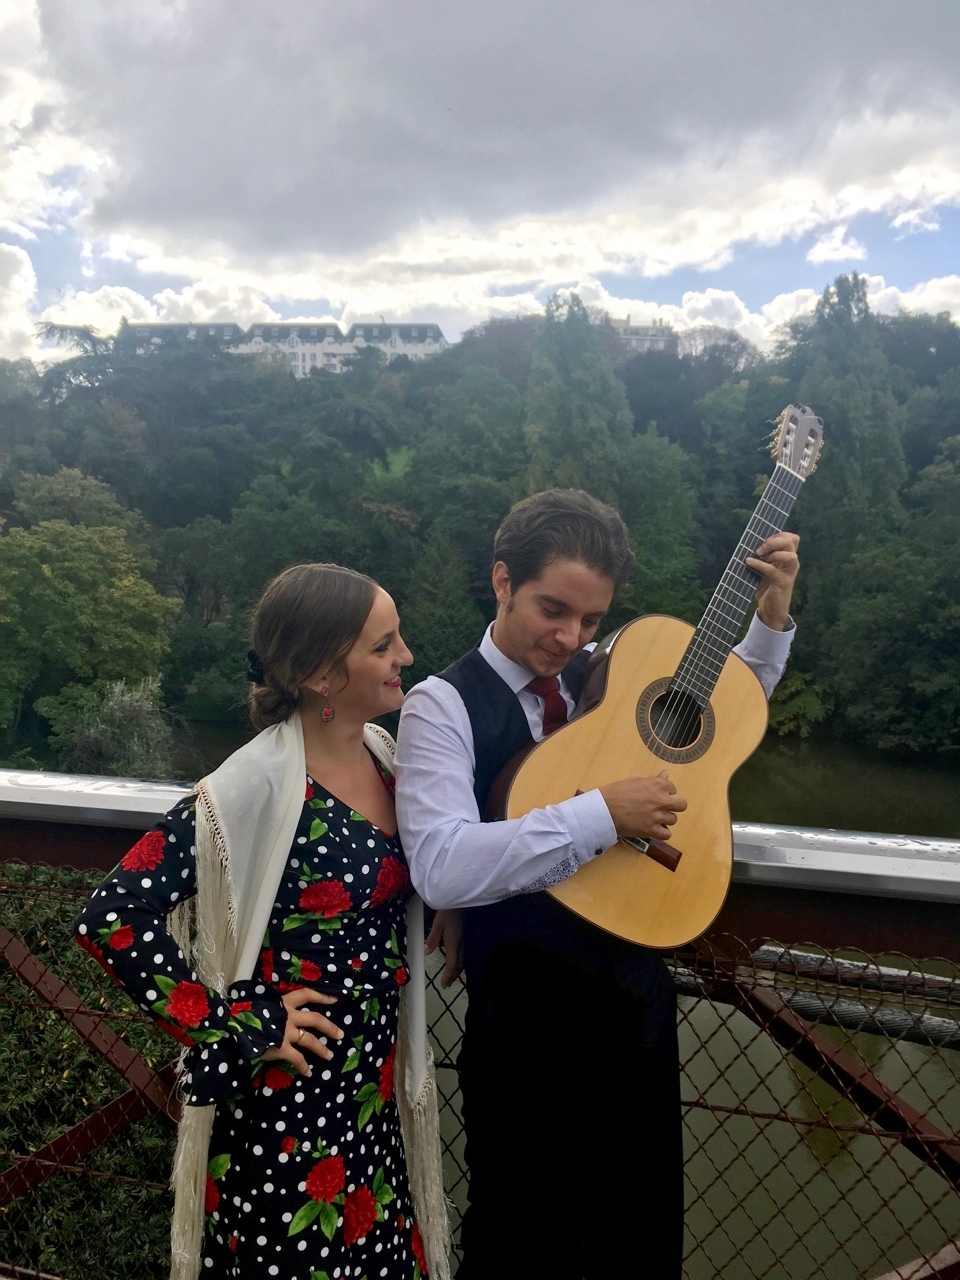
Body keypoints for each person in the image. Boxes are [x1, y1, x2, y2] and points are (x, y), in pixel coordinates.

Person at [394, 488, 800, 1280]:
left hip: (637, 998)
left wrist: (771, 619)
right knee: (523, 1238)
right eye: (553, 610)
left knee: (640, 1235)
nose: (570, 637)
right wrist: (600, 815)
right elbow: (440, 861)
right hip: (525, 1023)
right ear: (503, 579)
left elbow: (725, 710)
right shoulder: (440, 705)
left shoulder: (609, 671)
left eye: (589, 619)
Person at [76, 562, 450, 1280]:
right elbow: (113, 917)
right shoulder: (254, 785)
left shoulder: (387, 758)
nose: (406, 657)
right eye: (384, 645)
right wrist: (238, 1026)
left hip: (371, 1098)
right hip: (288, 1106)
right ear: (320, 671)